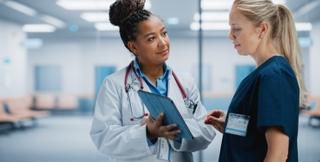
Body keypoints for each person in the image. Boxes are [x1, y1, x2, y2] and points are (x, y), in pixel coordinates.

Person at [90, 0, 215, 162]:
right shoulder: (114, 84)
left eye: (164, 33)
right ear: (133, 47)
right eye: (151, 39)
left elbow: (206, 131)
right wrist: (148, 133)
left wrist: (177, 132)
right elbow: (103, 138)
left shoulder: (185, 82)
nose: (163, 43)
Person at [205, 0, 305, 162]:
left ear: (262, 29)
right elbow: (257, 131)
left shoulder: (275, 75)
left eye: (236, 28)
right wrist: (230, 125)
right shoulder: (263, 74)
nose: (230, 35)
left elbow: (278, 155)